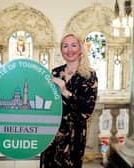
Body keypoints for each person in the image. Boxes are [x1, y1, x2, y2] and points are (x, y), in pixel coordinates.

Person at [40, 33, 98, 168]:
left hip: (74, 135)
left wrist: (66, 92)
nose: (69, 50)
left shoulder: (89, 75)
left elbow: (87, 110)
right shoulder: (55, 73)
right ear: (61, 50)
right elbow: (45, 104)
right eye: (65, 46)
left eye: (73, 45)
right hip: (52, 133)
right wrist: (43, 132)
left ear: (80, 49)